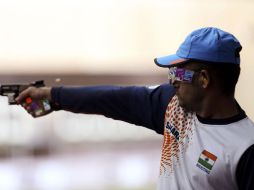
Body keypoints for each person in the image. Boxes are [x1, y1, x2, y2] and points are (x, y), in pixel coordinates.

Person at [16, 27, 254, 190]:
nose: (172, 80)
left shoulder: (246, 149)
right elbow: (116, 98)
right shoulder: (173, 105)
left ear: (204, 79)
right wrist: (52, 96)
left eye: (179, 72)